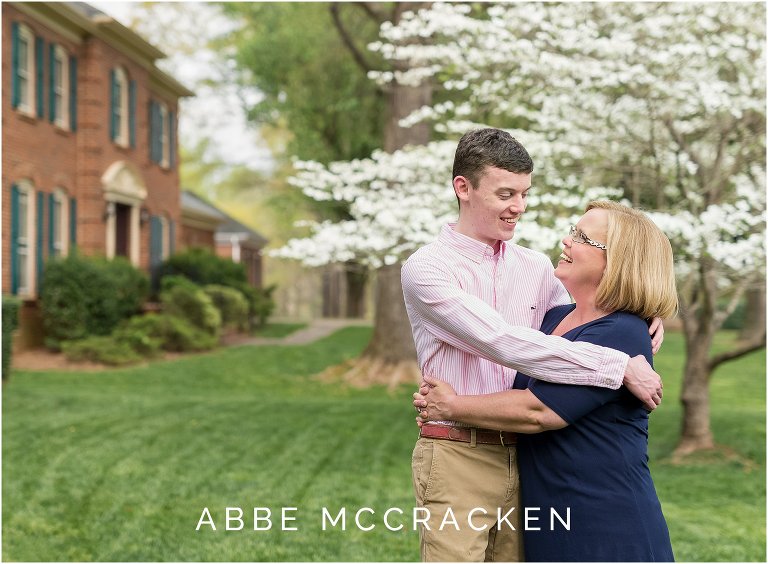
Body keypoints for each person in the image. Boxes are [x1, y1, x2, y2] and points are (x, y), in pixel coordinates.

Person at [401, 128, 665, 562]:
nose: (518, 207)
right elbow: (502, 342)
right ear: (463, 188)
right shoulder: (427, 270)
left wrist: (643, 312)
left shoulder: (536, 267)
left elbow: (581, 325)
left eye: (524, 193)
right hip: (458, 453)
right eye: (506, 194)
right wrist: (618, 366)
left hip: (529, 459)